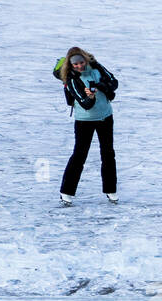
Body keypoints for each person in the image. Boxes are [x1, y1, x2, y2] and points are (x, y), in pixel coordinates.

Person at [56, 47, 120, 206]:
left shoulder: (96, 66)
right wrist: (90, 97)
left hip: (106, 116)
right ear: (70, 65)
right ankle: (66, 192)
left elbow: (113, 82)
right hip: (85, 120)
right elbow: (84, 104)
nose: (79, 66)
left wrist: (101, 86)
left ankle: (111, 190)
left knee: (108, 153)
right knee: (79, 154)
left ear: (85, 59)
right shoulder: (70, 79)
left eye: (81, 62)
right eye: (75, 64)